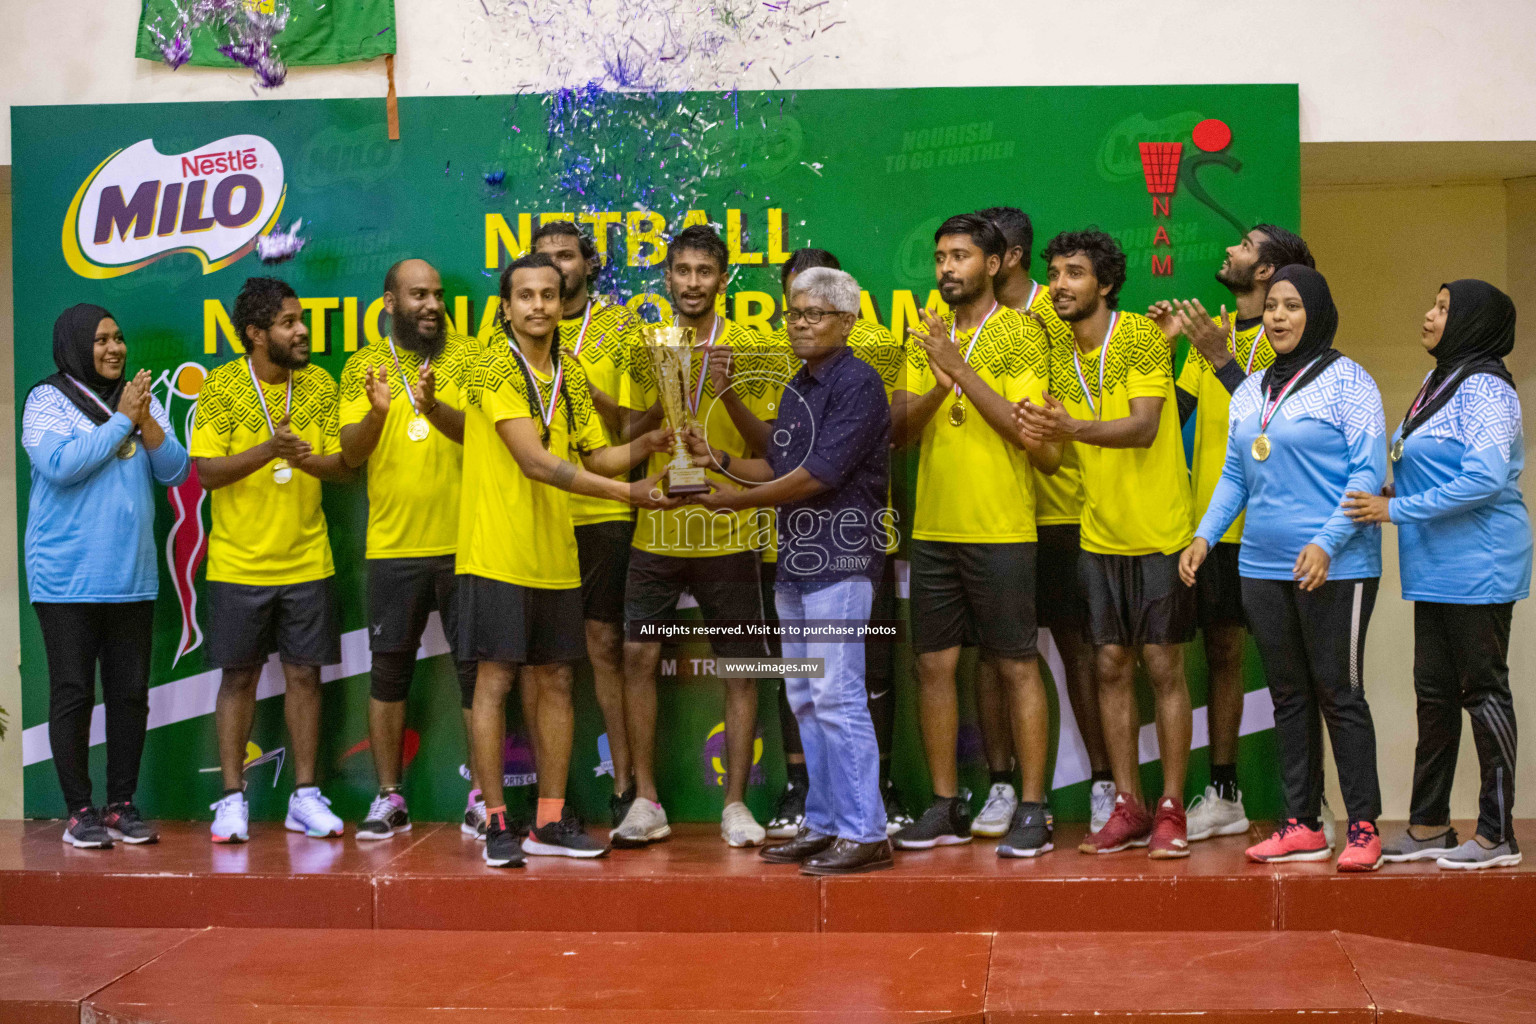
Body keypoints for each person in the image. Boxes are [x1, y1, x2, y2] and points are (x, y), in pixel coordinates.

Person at [462, 253, 675, 868]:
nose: (538, 305)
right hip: (496, 552)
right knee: (495, 683)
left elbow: (596, 456)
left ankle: (549, 822)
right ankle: (499, 823)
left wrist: (649, 445)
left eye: (549, 295)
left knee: (556, 680)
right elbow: (534, 460)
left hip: (555, 555)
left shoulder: (570, 376)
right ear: (506, 307)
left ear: (563, 302)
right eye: (525, 295)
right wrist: (627, 494)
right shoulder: (491, 365)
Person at [1180, 264, 1388, 872]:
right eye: (1271, 307)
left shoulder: (1351, 383)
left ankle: (1363, 828)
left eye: (1292, 306)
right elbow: (1237, 476)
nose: (1277, 317)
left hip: (1338, 565)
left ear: (1317, 313)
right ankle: (1299, 825)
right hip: (1261, 567)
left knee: (1339, 693)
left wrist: (1326, 543)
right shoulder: (1250, 391)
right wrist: (1204, 536)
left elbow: (1366, 475)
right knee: (1289, 696)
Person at [688, 267, 895, 874]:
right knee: (806, 697)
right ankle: (828, 822)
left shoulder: (859, 383)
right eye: (794, 314)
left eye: (815, 315)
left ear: (847, 322)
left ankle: (866, 831)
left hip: (840, 559)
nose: (801, 325)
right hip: (797, 564)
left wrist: (728, 500)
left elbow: (817, 477)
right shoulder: (798, 385)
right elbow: (778, 464)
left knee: (838, 695)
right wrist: (719, 460)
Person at [1016, 230, 1195, 859]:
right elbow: (1057, 454)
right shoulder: (1057, 357)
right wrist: (1036, 433)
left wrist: (1071, 425)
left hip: (1162, 533)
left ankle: (1172, 807)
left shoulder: (1142, 338)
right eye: (1056, 273)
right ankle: (1128, 804)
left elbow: (1144, 427)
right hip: (1099, 536)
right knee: (1109, 668)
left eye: (1075, 274)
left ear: (1106, 284)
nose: (1061, 285)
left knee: (1163, 668)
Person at [892, 213, 1062, 858]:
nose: (946, 269)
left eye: (959, 256)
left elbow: (1026, 430)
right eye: (939, 258)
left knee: (1015, 664)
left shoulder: (1021, 334)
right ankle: (944, 803)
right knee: (933, 665)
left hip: (1001, 529)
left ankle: (1035, 807)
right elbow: (900, 431)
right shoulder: (927, 337)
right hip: (933, 528)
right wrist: (939, 381)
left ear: (993, 265)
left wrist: (958, 371)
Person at [1345, 280, 1528, 870]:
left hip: (1480, 564)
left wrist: (1394, 509)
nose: (1428, 314)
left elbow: (1485, 478)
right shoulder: (1440, 381)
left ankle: (1498, 833)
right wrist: (1401, 489)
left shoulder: (1488, 389)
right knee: (1434, 696)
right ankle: (1428, 826)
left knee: (1483, 691)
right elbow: (1434, 463)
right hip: (1435, 569)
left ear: (1472, 322)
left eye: (1444, 308)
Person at [1150, 225, 1317, 844]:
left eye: (1245, 246)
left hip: (1279, 532)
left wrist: (1221, 356)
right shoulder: (1208, 336)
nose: (1229, 250)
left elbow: (1272, 417)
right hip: (1214, 530)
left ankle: (1312, 800)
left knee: (1299, 669)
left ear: (1269, 271)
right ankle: (1224, 794)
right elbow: (1169, 418)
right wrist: (1170, 352)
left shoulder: (1295, 340)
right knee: (1220, 656)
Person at [613, 225, 776, 850]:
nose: (691, 283)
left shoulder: (753, 344)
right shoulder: (644, 344)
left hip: (728, 531)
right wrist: (661, 401)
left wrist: (728, 390)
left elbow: (770, 447)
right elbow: (625, 430)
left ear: (723, 278)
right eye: (681, 271)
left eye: (704, 272)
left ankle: (735, 804)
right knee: (638, 658)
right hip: (655, 529)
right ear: (667, 278)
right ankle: (647, 801)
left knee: (740, 668)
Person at [192, 277, 353, 844]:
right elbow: (206, 472)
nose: (302, 330)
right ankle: (232, 800)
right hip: (239, 564)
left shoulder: (319, 384)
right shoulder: (222, 388)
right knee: (238, 679)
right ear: (257, 334)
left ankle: (304, 797)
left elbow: (342, 467)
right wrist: (270, 451)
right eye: (288, 322)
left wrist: (309, 462)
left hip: (308, 560)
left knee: (305, 678)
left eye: (301, 319)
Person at [24, 305, 191, 848]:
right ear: (76, 345)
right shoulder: (45, 399)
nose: (115, 348)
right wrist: (123, 419)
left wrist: (145, 422)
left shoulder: (141, 402)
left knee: (129, 696)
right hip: (66, 579)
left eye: (119, 338)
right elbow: (61, 466)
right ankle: (79, 813)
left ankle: (120, 804)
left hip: (131, 577)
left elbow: (175, 472)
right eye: (100, 340)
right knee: (72, 693)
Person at [976, 206, 1114, 836]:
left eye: (978, 251)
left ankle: (1107, 783)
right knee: (996, 654)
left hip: (1063, 512)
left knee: (1084, 654)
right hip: (996, 516)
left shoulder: (1056, 313)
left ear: (1003, 258)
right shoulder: (963, 323)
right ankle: (1000, 785)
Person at [338, 259, 481, 841]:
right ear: (390, 302)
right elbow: (348, 454)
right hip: (393, 549)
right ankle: (389, 797)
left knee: (479, 676)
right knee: (388, 675)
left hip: (468, 544)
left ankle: (483, 797)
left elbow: (490, 437)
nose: (432, 305)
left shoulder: (470, 358)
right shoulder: (362, 367)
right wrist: (378, 414)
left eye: (438, 295)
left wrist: (434, 410)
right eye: (418, 294)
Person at [531, 220, 648, 830]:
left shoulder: (622, 327)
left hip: (603, 511)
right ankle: (548, 796)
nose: (557, 266)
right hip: (538, 512)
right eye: (545, 258)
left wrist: (582, 393)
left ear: (589, 264)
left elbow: (633, 429)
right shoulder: (516, 336)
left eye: (567, 256)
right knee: (539, 658)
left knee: (605, 647)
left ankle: (627, 785)